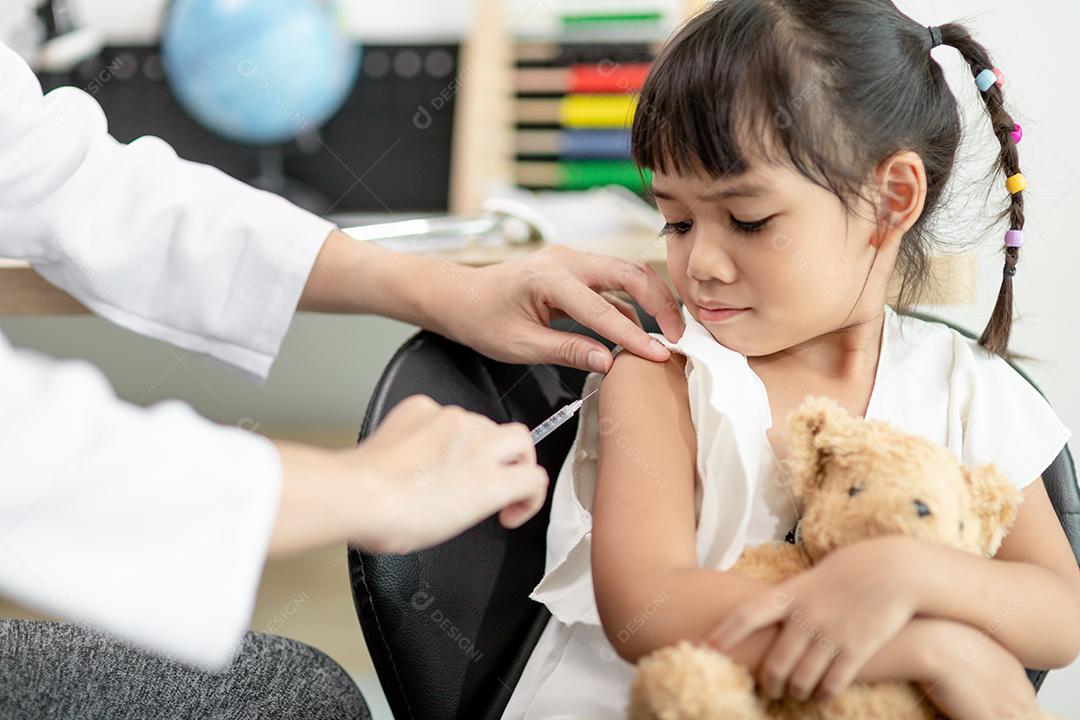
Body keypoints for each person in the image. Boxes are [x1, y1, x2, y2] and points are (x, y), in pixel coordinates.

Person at [0, 40, 687, 718]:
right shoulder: (650, 384)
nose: (708, 265)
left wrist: (441, 287)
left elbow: (71, 181)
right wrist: (355, 487)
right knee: (293, 702)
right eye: (678, 222)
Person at [501, 3, 1080, 719]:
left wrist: (908, 573)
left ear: (890, 200)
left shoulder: (968, 389)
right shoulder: (660, 374)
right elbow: (648, 610)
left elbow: (1061, 615)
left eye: (747, 221)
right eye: (676, 220)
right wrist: (935, 650)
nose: (701, 263)